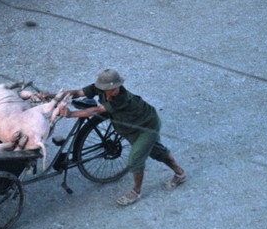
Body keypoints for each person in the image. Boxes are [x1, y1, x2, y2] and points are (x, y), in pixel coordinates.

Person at [58, 69, 187, 206]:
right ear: (103, 87)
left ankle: (136, 192)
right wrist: (55, 96)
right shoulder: (99, 88)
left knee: (135, 160)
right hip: (130, 126)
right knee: (157, 151)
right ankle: (180, 174)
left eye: (116, 87)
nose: (114, 91)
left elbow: (96, 110)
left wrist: (71, 114)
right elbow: (77, 93)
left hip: (146, 127)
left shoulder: (122, 98)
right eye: (111, 89)